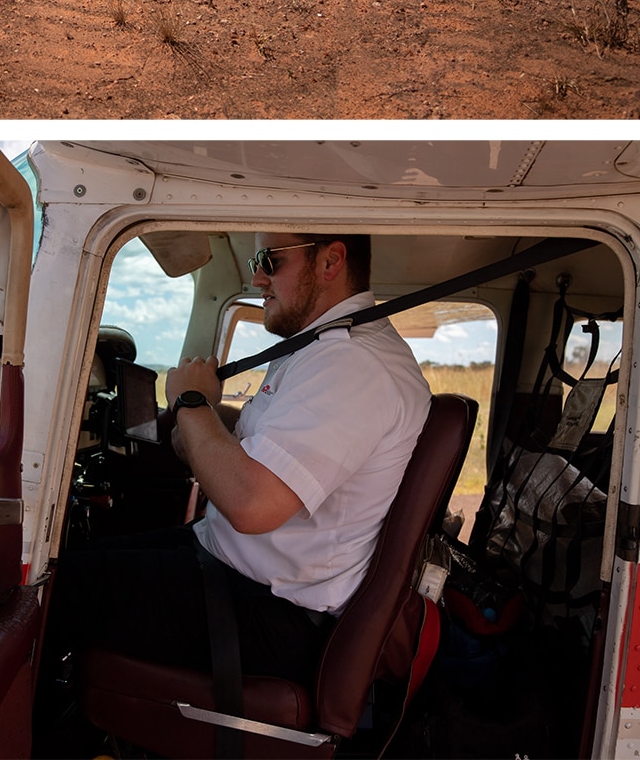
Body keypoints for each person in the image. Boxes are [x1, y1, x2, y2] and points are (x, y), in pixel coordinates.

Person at [50, 231, 432, 692]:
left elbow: (251, 503)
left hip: (270, 611)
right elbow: (253, 460)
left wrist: (191, 401)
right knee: (67, 563)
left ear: (330, 261)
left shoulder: (351, 363)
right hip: (234, 564)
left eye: (270, 260)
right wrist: (198, 430)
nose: (257, 277)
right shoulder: (323, 349)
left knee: (54, 592)